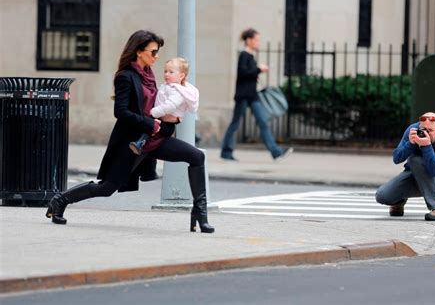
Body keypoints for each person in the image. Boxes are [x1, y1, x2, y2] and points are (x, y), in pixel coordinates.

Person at [45, 30, 214, 233]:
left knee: (196, 156)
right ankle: (60, 200)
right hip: (133, 142)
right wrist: (149, 123)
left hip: (156, 139)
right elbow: (121, 112)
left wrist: (174, 113)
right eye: (153, 52)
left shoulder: (150, 76)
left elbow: (163, 104)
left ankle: (199, 213)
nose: (156, 56)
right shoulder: (126, 77)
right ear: (139, 51)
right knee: (107, 188)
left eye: (157, 52)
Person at [220, 28, 293, 161]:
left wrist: (257, 72)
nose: (258, 42)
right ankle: (226, 151)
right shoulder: (244, 55)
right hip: (243, 96)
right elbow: (243, 73)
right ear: (249, 40)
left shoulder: (251, 56)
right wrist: (258, 69)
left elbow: (249, 74)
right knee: (235, 123)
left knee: (263, 122)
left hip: (253, 95)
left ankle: (276, 152)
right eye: (256, 40)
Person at [375, 112, 435, 221]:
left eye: (430, 131)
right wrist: (410, 143)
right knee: (382, 196)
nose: (426, 133)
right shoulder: (413, 130)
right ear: (419, 126)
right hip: (413, 173)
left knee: (415, 160)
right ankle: (399, 201)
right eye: (423, 129)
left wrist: (427, 146)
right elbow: (397, 158)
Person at [129, 57, 199, 155]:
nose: (166, 74)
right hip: (162, 118)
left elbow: (170, 106)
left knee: (151, 128)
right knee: (150, 128)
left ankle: (140, 144)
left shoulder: (178, 92)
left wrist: (153, 112)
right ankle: (141, 144)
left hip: (167, 125)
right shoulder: (168, 86)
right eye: (165, 71)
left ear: (181, 76)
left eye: (171, 72)